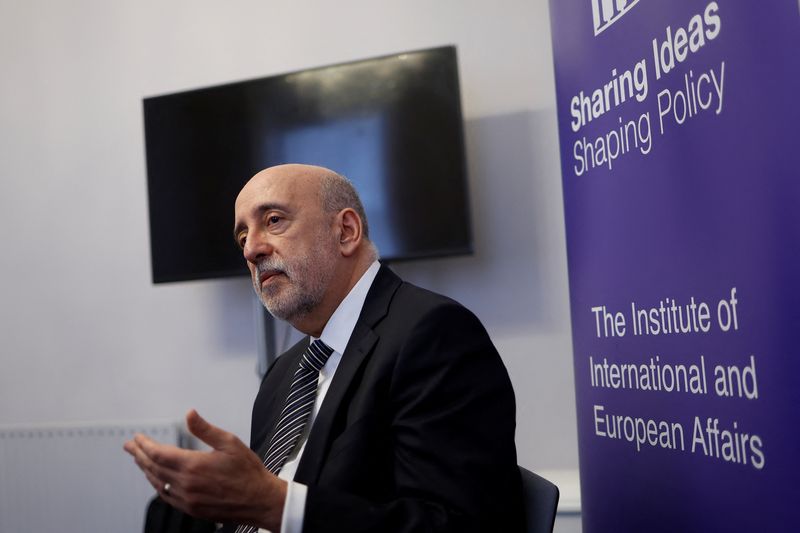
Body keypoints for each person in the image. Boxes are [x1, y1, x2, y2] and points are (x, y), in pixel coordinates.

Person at [125, 164, 523, 532]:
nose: (251, 250)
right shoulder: (283, 374)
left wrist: (276, 506)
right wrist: (198, 498)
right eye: (243, 236)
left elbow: (456, 525)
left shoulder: (434, 335)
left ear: (345, 231)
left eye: (273, 221)